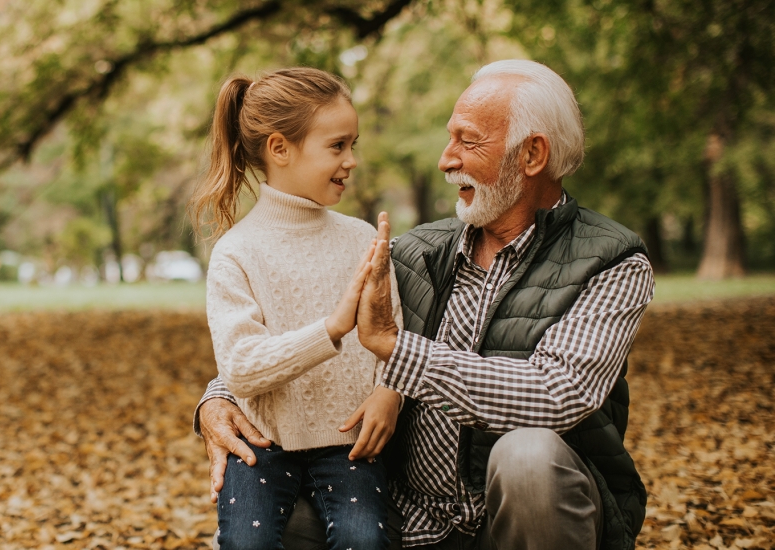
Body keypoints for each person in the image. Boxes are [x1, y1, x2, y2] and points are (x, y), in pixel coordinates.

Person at [196, 59, 654, 550]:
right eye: (448, 138)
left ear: (532, 154)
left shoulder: (612, 261)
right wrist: (218, 397)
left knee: (529, 456)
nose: (445, 159)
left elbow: (558, 393)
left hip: (516, 524)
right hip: (407, 519)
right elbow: (312, 330)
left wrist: (400, 353)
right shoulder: (417, 252)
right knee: (265, 510)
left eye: (467, 140)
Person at [190, 67, 405, 550]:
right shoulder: (237, 252)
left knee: (363, 540)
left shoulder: (362, 238)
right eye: (336, 146)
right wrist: (330, 329)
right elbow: (240, 369)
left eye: (353, 144)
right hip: (261, 446)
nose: (351, 160)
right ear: (279, 148)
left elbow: (394, 337)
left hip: (349, 444)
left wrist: (390, 392)